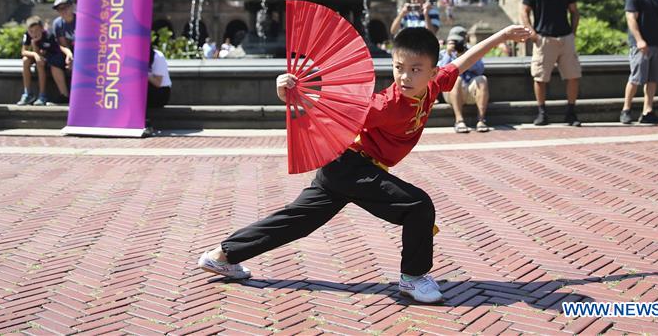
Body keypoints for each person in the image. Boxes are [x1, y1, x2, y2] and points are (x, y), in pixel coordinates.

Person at [197, 23, 532, 303]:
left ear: (431, 71)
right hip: (350, 165)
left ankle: (222, 255)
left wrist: (501, 36)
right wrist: (291, 94)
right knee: (417, 206)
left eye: (415, 70)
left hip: (343, 168)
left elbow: (461, 62)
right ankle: (413, 278)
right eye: (399, 68)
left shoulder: (433, 87)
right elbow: (334, 106)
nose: (405, 77)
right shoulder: (386, 104)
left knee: (298, 220)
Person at [520, 0, 582, 126]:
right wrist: (531, 33)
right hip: (543, 39)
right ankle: (542, 112)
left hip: (565, 38)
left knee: (573, 76)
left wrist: (573, 33)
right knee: (540, 78)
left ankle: (571, 112)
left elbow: (574, 12)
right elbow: (524, 11)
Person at [438, 28, 490, 133]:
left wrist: (465, 58)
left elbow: (480, 69)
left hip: (470, 89)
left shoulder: (472, 52)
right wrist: (449, 55)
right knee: (456, 79)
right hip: (452, 92)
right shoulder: (443, 54)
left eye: (459, 42)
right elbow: (440, 73)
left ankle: (481, 120)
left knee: (482, 79)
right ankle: (459, 121)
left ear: (465, 41)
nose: (457, 45)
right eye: (454, 41)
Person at [16, 16, 71, 106]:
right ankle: (27, 93)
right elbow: (23, 51)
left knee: (40, 63)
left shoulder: (49, 36)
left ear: (42, 29)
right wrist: (34, 49)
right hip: (38, 55)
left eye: (37, 30)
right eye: (31, 31)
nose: (34, 34)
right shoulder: (27, 35)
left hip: (51, 56)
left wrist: (38, 53)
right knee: (25, 60)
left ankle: (42, 95)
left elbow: (51, 51)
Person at [51, 0, 75, 71]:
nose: (63, 11)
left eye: (65, 7)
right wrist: (69, 54)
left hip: (83, 51)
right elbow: (62, 44)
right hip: (68, 52)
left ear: (71, 6)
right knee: (54, 62)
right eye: (59, 9)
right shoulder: (57, 24)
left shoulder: (82, 20)